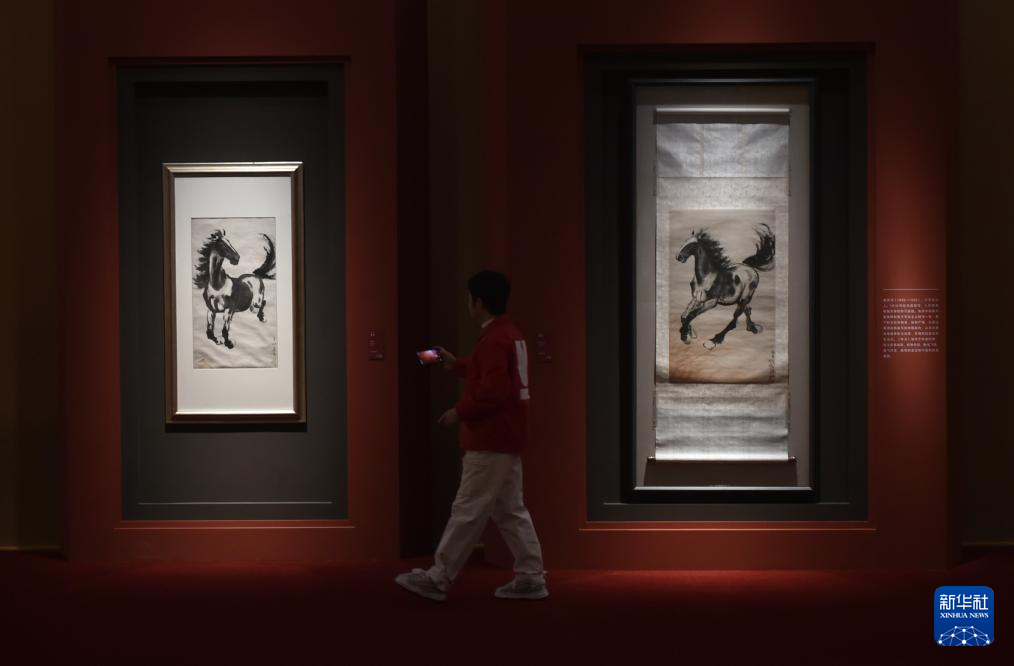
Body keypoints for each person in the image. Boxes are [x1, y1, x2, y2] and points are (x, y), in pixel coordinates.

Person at [395, 270, 547, 602]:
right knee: (510, 510)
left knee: (468, 508)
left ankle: (439, 577)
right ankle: (530, 575)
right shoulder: (508, 334)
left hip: (489, 439)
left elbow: (492, 392)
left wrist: (458, 412)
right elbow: (493, 376)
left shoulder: (493, 339)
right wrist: (456, 364)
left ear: (478, 302)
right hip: (508, 438)